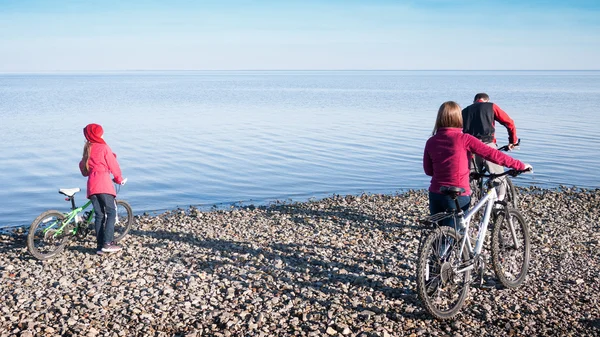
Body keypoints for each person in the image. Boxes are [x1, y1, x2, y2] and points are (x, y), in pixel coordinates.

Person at [423, 101, 531, 227]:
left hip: (435, 193)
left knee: (439, 234)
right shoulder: (465, 139)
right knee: (452, 239)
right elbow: (493, 154)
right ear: (459, 118)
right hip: (458, 194)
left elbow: (428, 171)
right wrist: (519, 165)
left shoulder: (431, 141)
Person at [462, 93, 518, 201]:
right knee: (499, 177)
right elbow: (509, 123)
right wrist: (512, 141)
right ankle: (499, 204)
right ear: (486, 100)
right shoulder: (491, 106)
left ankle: (471, 208)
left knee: (472, 179)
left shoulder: (464, 111)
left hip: (470, 148)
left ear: (474, 101)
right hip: (488, 146)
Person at [79, 123, 125, 255]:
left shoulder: (87, 149)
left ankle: (99, 246)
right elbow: (113, 165)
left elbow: (84, 170)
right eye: (101, 133)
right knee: (111, 212)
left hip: (92, 186)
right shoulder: (104, 147)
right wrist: (119, 179)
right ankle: (107, 243)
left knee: (99, 215)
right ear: (98, 134)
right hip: (104, 184)